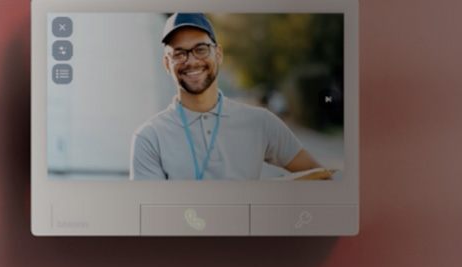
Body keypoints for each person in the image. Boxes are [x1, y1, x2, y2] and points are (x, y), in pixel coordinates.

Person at [130, 13, 324, 180]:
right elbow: (151, 217)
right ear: (166, 64)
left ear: (219, 54)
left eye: (200, 49)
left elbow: (321, 177)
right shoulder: (149, 138)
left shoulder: (261, 122)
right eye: (179, 54)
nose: (191, 61)